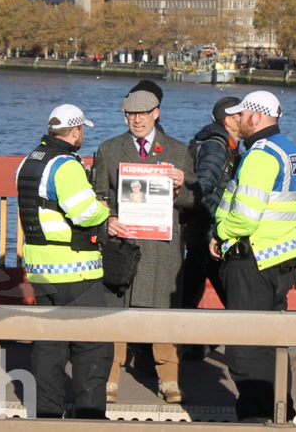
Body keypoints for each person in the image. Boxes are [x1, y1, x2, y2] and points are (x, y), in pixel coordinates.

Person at [209, 90, 296, 422]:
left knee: (245, 349)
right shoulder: (290, 150)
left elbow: (246, 217)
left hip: (253, 261)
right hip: (281, 259)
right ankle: (282, 413)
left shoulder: (260, 156)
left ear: (256, 115)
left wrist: (220, 232)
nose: (236, 121)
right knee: (272, 345)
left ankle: (254, 420)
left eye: (240, 116)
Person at [92, 84, 195, 405]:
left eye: (143, 114)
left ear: (156, 114)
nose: (137, 120)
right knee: (114, 313)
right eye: (131, 114)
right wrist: (105, 220)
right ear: (124, 116)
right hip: (122, 245)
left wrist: (183, 187)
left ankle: (169, 380)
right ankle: (109, 379)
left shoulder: (179, 151)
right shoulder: (109, 149)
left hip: (162, 248)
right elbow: (98, 197)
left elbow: (195, 203)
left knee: (163, 314)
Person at [15, 103, 112, 419]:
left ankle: (47, 415)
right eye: (82, 130)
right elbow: (82, 212)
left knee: (48, 346)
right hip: (75, 269)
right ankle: (89, 417)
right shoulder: (66, 165)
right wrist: (104, 211)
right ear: (76, 131)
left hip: (41, 269)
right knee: (93, 346)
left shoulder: (29, 160)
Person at [183, 95, 242, 314]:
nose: (245, 118)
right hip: (209, 234)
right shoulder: (217, 147)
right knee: (236, 300)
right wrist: (216, 225)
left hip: (205, 233)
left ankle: (191, 346)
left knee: (188, 292)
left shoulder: (228, 146)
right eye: (240, 115)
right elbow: (201, 188)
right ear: (229, 120)